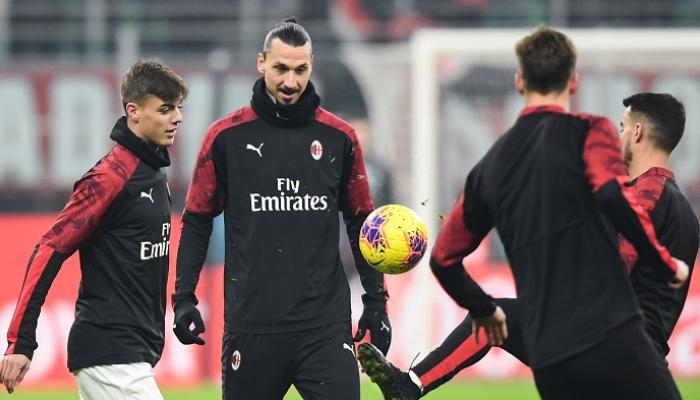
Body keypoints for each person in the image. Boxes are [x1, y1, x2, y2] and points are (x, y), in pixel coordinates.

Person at [364, 26, 690, 400]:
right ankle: (410, 384)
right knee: (498, 318)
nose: (616, 135)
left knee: (494, 317)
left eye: (622, 127)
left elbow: (616, 259)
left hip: (613, 346)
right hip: (614, 344)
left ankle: (410, 386)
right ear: (572, 82)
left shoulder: (499, 161)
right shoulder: (675, 205)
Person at [171, 17, 390, 399]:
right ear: (261, 63)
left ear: (311, 67)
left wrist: (376, 302)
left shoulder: (340, 138)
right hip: (252, 326)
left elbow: (361, 223)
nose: (290, 81)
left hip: (324, 328)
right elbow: (197, 220)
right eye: (281, 68)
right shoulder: (225, 137)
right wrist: (184, 297)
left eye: (300, 70)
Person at [0, 60, 187, 399]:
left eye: (178, 108)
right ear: (133, 111)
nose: (177, 118)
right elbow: (49, 248)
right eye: (165, 109)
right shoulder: (111, 177)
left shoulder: (154, 173)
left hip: (130, 353)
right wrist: (20, 340)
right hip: (110, 353)